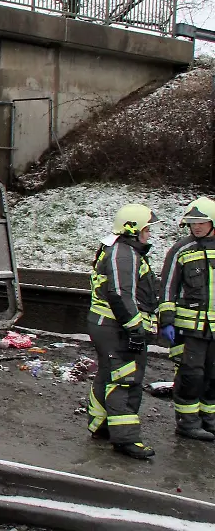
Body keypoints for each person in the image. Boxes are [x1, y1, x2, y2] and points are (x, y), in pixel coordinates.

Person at [86, 203, 160, 459]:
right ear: (133, 228)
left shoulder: (119, 250)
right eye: (147, 229)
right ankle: (126, 439)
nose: (149, 234)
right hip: (115, 328)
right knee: (124, 380)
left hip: (110, 326)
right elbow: (119, 294)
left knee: (110, 375)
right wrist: (135, 329)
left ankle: (100, 425)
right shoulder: (124, 253)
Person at [158, 196, 215, 441]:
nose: (197, 227)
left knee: (213, 376)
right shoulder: (181, 250)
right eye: (193, 223)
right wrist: (167, 320)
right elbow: (168, 287)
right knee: (192, 375)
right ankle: (187, 423)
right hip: (189, 329)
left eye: (201, 222)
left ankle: (209, 420)